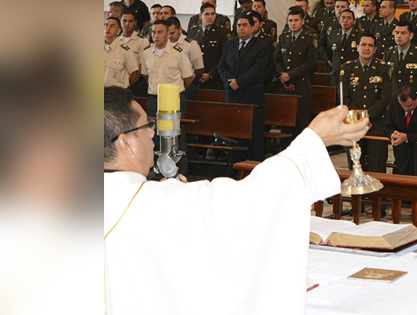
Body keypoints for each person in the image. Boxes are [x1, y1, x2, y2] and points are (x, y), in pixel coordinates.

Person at [103, 86, 369, 315]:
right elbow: (246, 206)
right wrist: (314, 140)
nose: (152, 133)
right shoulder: (154, 203)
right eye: (146, 126)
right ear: (125, 142)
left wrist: (164, 195)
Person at [140, 19, 194, 174]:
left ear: (168, 34)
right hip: (154, 100)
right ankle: (156, 169)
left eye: (160, 32)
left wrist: (176, 95)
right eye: (153, 32)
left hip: (173, 101)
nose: (156, 36)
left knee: (176, 137)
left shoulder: (178, 54)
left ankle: (179, 171)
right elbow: (146, 76)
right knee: (153, 135)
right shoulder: (146, 53)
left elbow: (189, 78)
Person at [217, 13, 271, 160]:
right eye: (239, 25)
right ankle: (234, 168)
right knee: (234, 136)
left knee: (253, 140)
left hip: (251, 99)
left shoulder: (262, 46)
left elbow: (258, 69)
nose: (241, 29)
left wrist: (239, 82)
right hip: (232, 97)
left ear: (253, 27)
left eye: (245, 25)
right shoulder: (229, 44)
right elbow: (221, 66)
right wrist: (231, 82)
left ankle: (253, 169)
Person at [341, 34, 391, 172]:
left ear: (375, 49)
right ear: (357, 47)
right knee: (356, 164)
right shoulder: (346, 69)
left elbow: (385, 97)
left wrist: (367, 117)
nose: (366, 48)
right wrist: (360, 119)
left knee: (377, 165)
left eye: (370, 45)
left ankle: (376, 194)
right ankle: (359, 194)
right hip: (353, 125)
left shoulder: (384, 69)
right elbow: (343, 98)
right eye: (363, 45)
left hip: (376, 124)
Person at [274, 7, 319, 135]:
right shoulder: (283, 38)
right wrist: (284, 77)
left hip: (301, 87)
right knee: (285, 125)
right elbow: (276, 59)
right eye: (290, 20)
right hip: (284, 87)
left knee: (301, 125)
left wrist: (290, 75)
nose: (293, 23)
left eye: (296, 20)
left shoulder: (310, 39)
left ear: (303, 21)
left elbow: (310, 64)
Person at [383, 21, 417, 98]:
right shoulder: (388, 53)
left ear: (411, 35)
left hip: (413, 102)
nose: (399, 36)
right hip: (393, 101)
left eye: (403, 33)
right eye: (396, 32)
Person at [190, 3, 232, 91]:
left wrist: (211, 75)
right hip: (196, 79)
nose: (210, 17)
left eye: (212, 14)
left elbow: (224, 57)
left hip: (215, 80)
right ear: (200, 16)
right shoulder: (193, 32)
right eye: (206, 14)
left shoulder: (222, 32)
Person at [166, 17, 204, 101]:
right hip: (167, 85)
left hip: (186, 85)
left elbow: (199, 69)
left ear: (180, 29)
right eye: (167, 33)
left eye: (172, 33)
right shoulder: (164, 43)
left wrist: (189, 83)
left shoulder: (191, 45)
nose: (169, 36)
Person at [327, 9, 361, 91]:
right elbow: (329, 52)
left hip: (352, 74)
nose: (345, 20)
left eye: (349, 18)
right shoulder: (333, 34)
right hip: (336, 75)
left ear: (354, 21)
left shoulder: (359, 36)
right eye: (343, 18)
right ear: (339, 20)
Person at [104, 17, 140, 89]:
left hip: (116, 95)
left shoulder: (125, 51)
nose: (108, 28)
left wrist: (123, 89)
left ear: (118, 31)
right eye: (106, 25)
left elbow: (134, 76)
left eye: (112, 26)